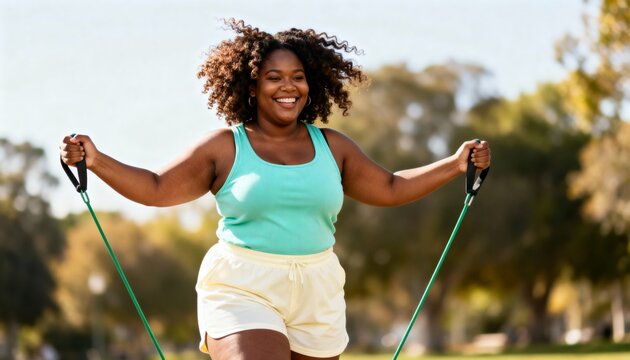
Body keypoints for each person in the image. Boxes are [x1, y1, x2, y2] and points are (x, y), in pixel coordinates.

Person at [60, 19, 491, 360]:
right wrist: (96, 161)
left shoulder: (333, 146)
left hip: (318, 287)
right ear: (251, 86)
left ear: (311, 85)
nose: (289, 87)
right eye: (273, 77)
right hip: (242, 285)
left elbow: (391, 187)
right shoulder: (225, 147)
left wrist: (454, 165)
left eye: (298, 76)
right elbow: (155, 188)